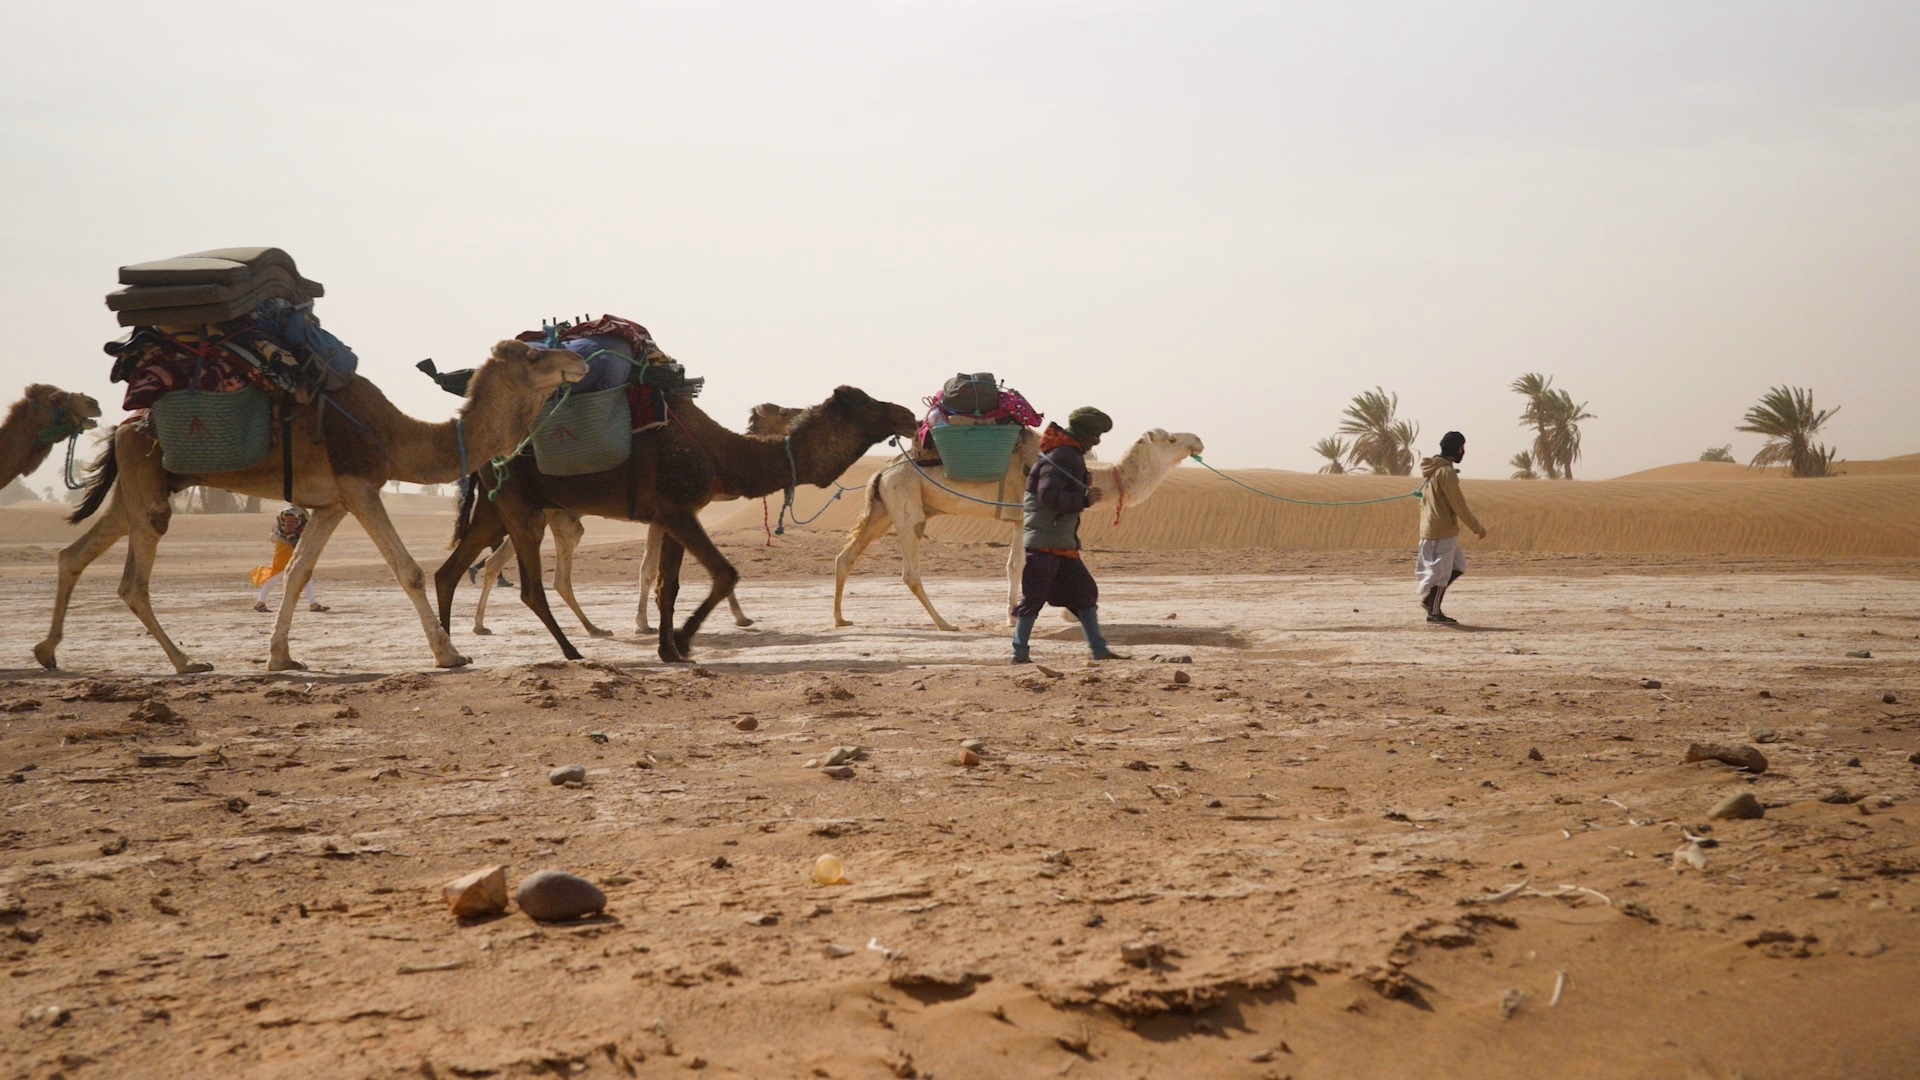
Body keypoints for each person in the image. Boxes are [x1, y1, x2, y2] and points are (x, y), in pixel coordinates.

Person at [1011, 407, 1127, 664]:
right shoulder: (1063, 455)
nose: (1097, 440)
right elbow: (1048, 495)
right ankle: (1018, 655)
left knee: (1085, 593)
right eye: (1096, 434)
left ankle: (1099, 650)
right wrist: (1084, 499)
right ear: (1085, 432)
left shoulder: (1066, 453)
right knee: (1033, 599)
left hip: (1059, 542)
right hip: (1045, 543)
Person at [1416, 431, 1488, 624]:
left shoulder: (1433, 470)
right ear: (1456, 449)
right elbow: (1459, 504)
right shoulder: (1445, 472)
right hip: (1441, 530)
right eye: (1461, 448)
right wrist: (1476, 527)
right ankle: (1433, 610)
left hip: (1434, 528)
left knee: (1458, 566)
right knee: (1443, 574)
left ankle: (1432, 601)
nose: (1463, 451)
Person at [250, 506, 328, 612]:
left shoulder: (298, 511)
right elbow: (289, 531)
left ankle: (313, 604)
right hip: (287, 547)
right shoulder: (291, 512)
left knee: (304, 573)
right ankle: (260, 602)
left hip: (291, 546)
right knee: (279, 573)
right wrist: (297, 547)